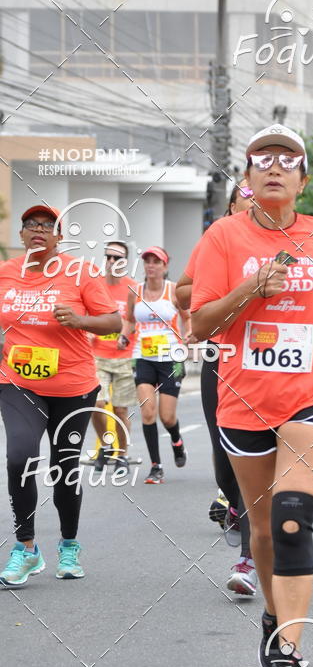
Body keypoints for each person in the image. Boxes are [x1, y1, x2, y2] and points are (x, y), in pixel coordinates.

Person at [190, 124, 313, 667]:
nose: (275, 166)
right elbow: (200, 324)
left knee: (294, 518)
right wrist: (252, 288)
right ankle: (273, 621)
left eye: (287, 159)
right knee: (264, 530)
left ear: (303, 178)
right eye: (262, 158)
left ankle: (289, 653)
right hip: (244, 400)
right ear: (247, 178)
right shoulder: (223, 236)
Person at [0, 204, 121, 587]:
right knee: (20, 456)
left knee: (65, 468)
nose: (38, 230)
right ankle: (26, 548)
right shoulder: (5, 275)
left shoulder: (80, 273)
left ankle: (68, 544)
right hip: (19, 383)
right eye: (30, 224)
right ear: (20, 235)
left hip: (74, 386)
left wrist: (81, 320)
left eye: (47, 225)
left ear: (58, 236)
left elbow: (114, 322)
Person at [176, 182, 257, 595]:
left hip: (268, 360)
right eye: (246, 193)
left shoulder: (287, 238)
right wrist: (230, 291)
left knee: (257, 456)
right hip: (219, 356)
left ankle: (250, 555)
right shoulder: (217, 238)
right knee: (225, 456)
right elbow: (183, 292)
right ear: (231, 203)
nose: (254, 198)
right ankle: (236, 506)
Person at [121, 246, 189, 484]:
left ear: (165, 266)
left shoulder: (174, 291)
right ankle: (156, 466)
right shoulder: (135, 291)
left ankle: (177, 441)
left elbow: (187, 318)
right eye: (147, 261)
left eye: (156, 262)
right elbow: (129, 321)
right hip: (143, 356)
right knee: (148, 413)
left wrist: (188, 338)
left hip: (172, 359)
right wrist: (123, 336)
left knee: (167, 417)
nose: (151, 265)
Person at [90, 240, 137, 475]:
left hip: (123, 356)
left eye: (116, 258)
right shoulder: (95, 284)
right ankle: (105, 445)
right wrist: (88, 330)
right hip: (97, 355)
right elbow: (87, 313)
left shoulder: (131, 288)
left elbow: (130, 318)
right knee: (96, 404)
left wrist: (124, 336)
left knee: (120, 410)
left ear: (124, 262)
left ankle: (122, 454)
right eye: (108, 257)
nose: (111, 261)